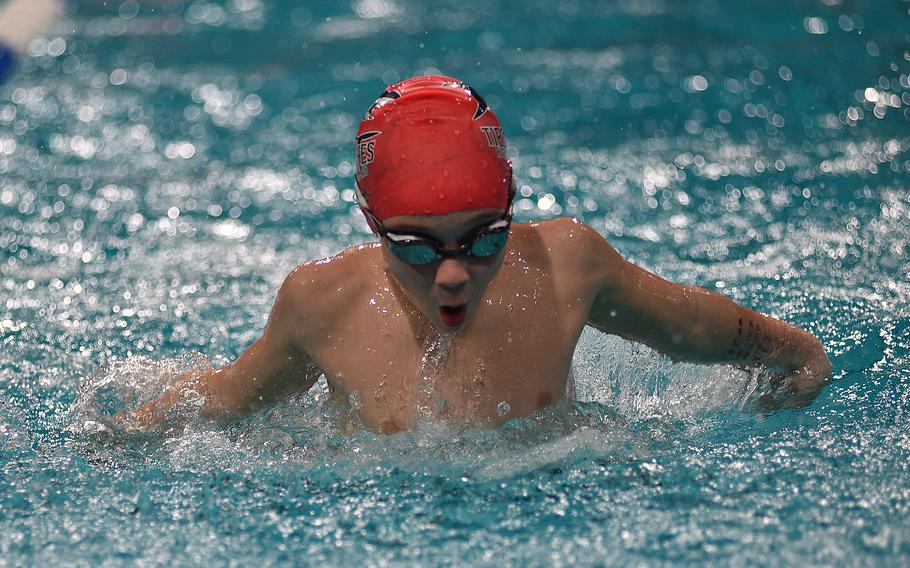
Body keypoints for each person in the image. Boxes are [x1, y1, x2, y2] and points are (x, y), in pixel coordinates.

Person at [124, 75, 832, 434]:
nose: (456, 271)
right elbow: (229, 403)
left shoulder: (566, 266)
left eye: (484, 238)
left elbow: (693, 329)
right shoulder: (324, 302)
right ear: (373, 225)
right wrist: (126, 429)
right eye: (417, 249)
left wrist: (796, 351)